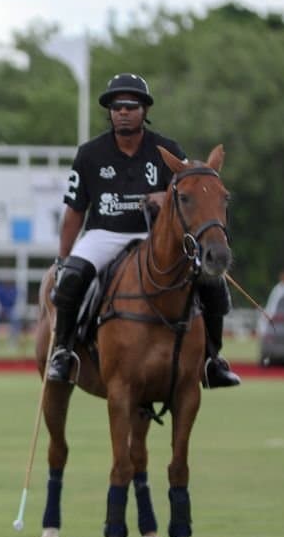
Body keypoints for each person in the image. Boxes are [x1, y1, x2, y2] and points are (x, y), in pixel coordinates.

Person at [45, 72, 241, 389]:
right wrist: (63, 257)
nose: (123, 111)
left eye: (131, 105)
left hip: (155, 238)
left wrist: (167, 196)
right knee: (71, 278)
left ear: (144, 111)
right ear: (109, 111)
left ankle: (212, 360)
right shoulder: (89, 154)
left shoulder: (166, 149)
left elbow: (190, 192)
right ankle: (64, 353)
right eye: (117, 105)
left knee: (212, 284)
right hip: (104, 234)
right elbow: (74, 213)